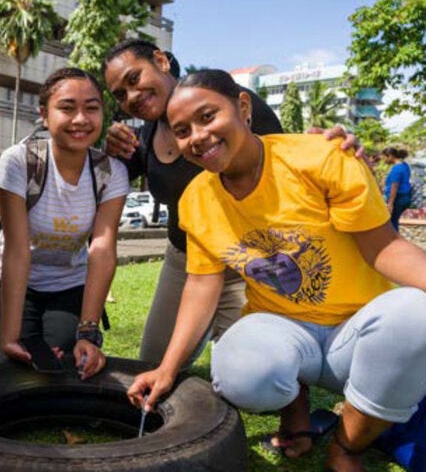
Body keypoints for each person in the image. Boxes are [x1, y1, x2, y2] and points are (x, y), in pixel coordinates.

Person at [127, 69, 426, 472]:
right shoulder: (196, 199)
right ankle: (295, 407)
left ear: (243, 107)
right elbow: (201, 286)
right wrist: (167, 368)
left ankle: (347, 445)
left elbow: (384, 248)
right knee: (239, 372)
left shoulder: (320, 157)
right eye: (182, 131)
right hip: (283, 330)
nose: (197, 136)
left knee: (416, 313)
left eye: (208, 116)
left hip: (354, 337)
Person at [102, 39, 359, 367]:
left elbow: (283, 161)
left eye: (134, 78)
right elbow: (107, 183)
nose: (131, 96)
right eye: (120, 95)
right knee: (153, 363)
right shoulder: (144, 136)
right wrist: (111, 151)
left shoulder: (230, 101)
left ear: (161, 61)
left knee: (260, 368)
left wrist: (330, 147)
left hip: (245, 259)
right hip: (185, 259)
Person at [0, 67, 129, 379]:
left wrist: (88, 332)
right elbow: (17, 250)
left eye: (92, 108)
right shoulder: (20, 160)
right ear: (44, 115)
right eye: (67, 108)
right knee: (8, 364)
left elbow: (102, 249)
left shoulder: (111, 172)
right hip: (11, 279)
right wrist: (9, 337)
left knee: (60, 361)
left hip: (68, 283)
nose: (80, 119)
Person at [382, 144, 412, 231]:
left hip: (398, 198)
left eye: (384, 157)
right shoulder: (404, 165)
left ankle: (395, 238)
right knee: (393, 221)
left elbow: (394, 187)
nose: (383, 160)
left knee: (392, 223)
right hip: (404, 197)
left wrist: (390, 204)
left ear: (390, 156)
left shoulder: (397, 169)